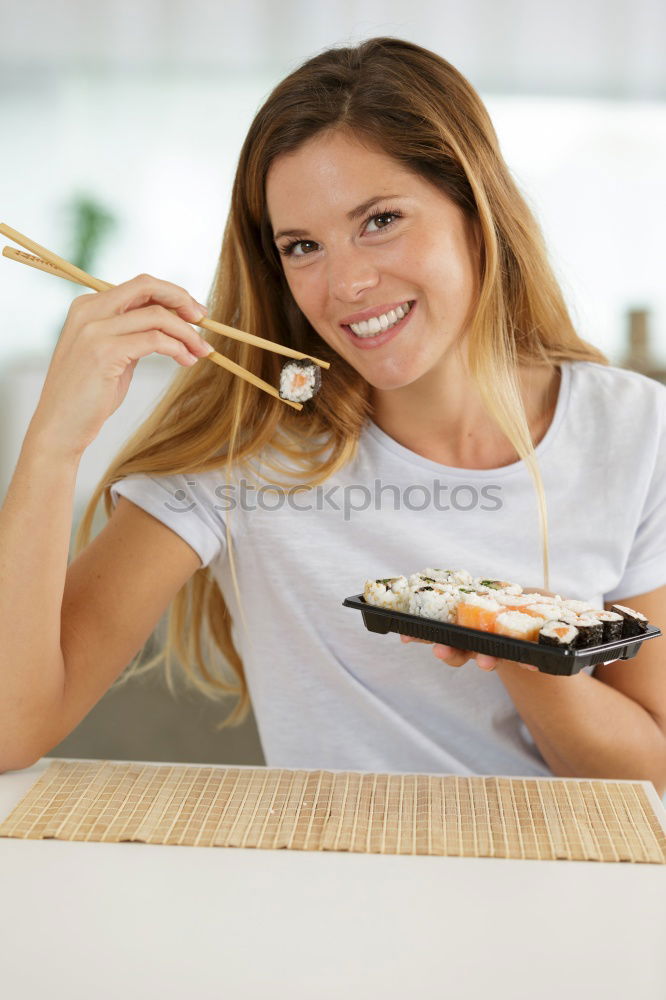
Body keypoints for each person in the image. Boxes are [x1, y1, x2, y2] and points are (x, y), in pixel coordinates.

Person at [1, 38, 664, 790]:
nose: (346, 282)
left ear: (476, 210)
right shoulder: (243, 446)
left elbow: (651, 775)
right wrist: (55, 442)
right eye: (303, 245)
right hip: (332, 884)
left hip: (576, 884)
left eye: (380, 220)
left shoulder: (635, 432)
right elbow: (10, 728)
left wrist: (520, 644)